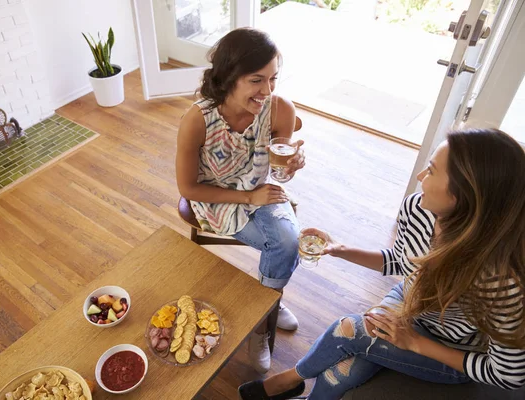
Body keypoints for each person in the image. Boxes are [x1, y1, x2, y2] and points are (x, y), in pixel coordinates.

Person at [239, 128, 525, 399]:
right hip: (409, 301)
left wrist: (414, 342)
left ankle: (286, 381)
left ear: (466, 193)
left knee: (350, 330)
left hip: (450, 346)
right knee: (344, 368)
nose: (421, 176)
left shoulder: (503, 281)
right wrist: (339, 249)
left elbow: (508, 375)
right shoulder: (418, 209)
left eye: (433, 171)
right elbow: (402, 262)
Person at [176, 28, 306, 374]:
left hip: (259, 189)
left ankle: (266, 307)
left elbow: (277, 173)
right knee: (284, 245)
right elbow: (188, 188)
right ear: (228, 77)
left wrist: (289, 168)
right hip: (216, 198)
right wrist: (248, 195)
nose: (267, 91)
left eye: (273, 79)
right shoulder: (197, 120)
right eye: (256, 80)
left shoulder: (280, 110)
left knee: (288, 243)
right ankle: (265, 316)